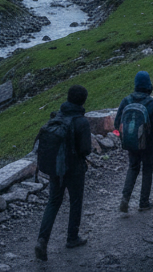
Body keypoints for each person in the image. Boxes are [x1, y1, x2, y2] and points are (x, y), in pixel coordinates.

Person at [36, 90, 89, 260]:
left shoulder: (57, 117)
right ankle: (72, 238)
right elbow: (86, 149)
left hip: (55, 169)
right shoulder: (81, 121)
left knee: (53, 202)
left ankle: (42, 240)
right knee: (75, 202)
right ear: (83, 102)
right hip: (74, 169)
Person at [115, 71, 153, 212]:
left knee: (133, 168)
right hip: (148, 144)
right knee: (147, 171)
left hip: (131, 143)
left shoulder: (126, 101)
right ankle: (144, 202)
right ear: (148, 85)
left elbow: (117, 123)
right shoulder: (152, 103)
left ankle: (125, 198)